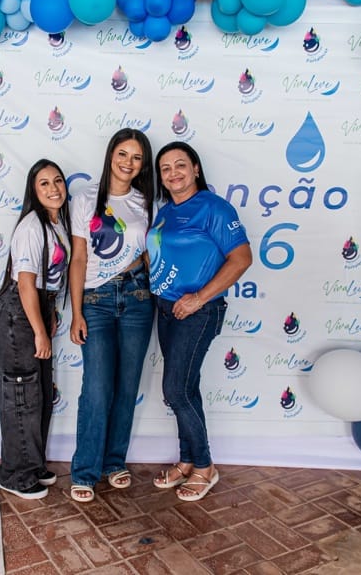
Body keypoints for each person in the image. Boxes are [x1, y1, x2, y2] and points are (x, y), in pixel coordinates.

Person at [147, 141, 252, 502]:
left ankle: (205, 467)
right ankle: (187, 459)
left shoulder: (214, 208)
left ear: (195, 169)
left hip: (198, 312)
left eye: (180, 165)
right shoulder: (164, 212)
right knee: (186, 389)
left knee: (176, 391)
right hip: (166, 309)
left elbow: (241, 258)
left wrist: (199, 298)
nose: (173, 173)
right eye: (165, 168)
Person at [68, 128, 156, 503]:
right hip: (96, 300)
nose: (128, 163)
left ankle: (114, 461)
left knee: (126, 385)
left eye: (136, 157)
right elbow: (79, 258)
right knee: (97, 387)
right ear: (110, 154)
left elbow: (151, 253)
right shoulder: (85, 197)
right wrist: (76, 312)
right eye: (123, 154)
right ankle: (85, 470)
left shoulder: (145, 201)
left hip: (137, 296)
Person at [0, 159, 71, 500]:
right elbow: (25, 284)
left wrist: (49, 315)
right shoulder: (32, 226)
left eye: (58, 181)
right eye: (44, 184)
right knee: (21, 395)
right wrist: (38, 330)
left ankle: (33, 465)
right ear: (33, 192)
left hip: (38, 308)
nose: (53, 188)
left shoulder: (56, 223)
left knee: (39, 395)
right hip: (17, 316)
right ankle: (15, 474)